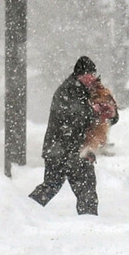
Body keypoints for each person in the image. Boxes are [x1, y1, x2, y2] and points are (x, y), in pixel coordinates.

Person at [30, 56, 116, 215]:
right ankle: (22, 211)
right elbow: (73, 118)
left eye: (93, 74)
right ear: (80, 75)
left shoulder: (91, 90)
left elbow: (106, 114)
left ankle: (26, 210)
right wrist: (94, 111)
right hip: (63, 150)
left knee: (79, 189)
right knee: (57, 187)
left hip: (75, 150)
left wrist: (111, 113)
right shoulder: (67, 90)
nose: (92, 78)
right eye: (89, 74)